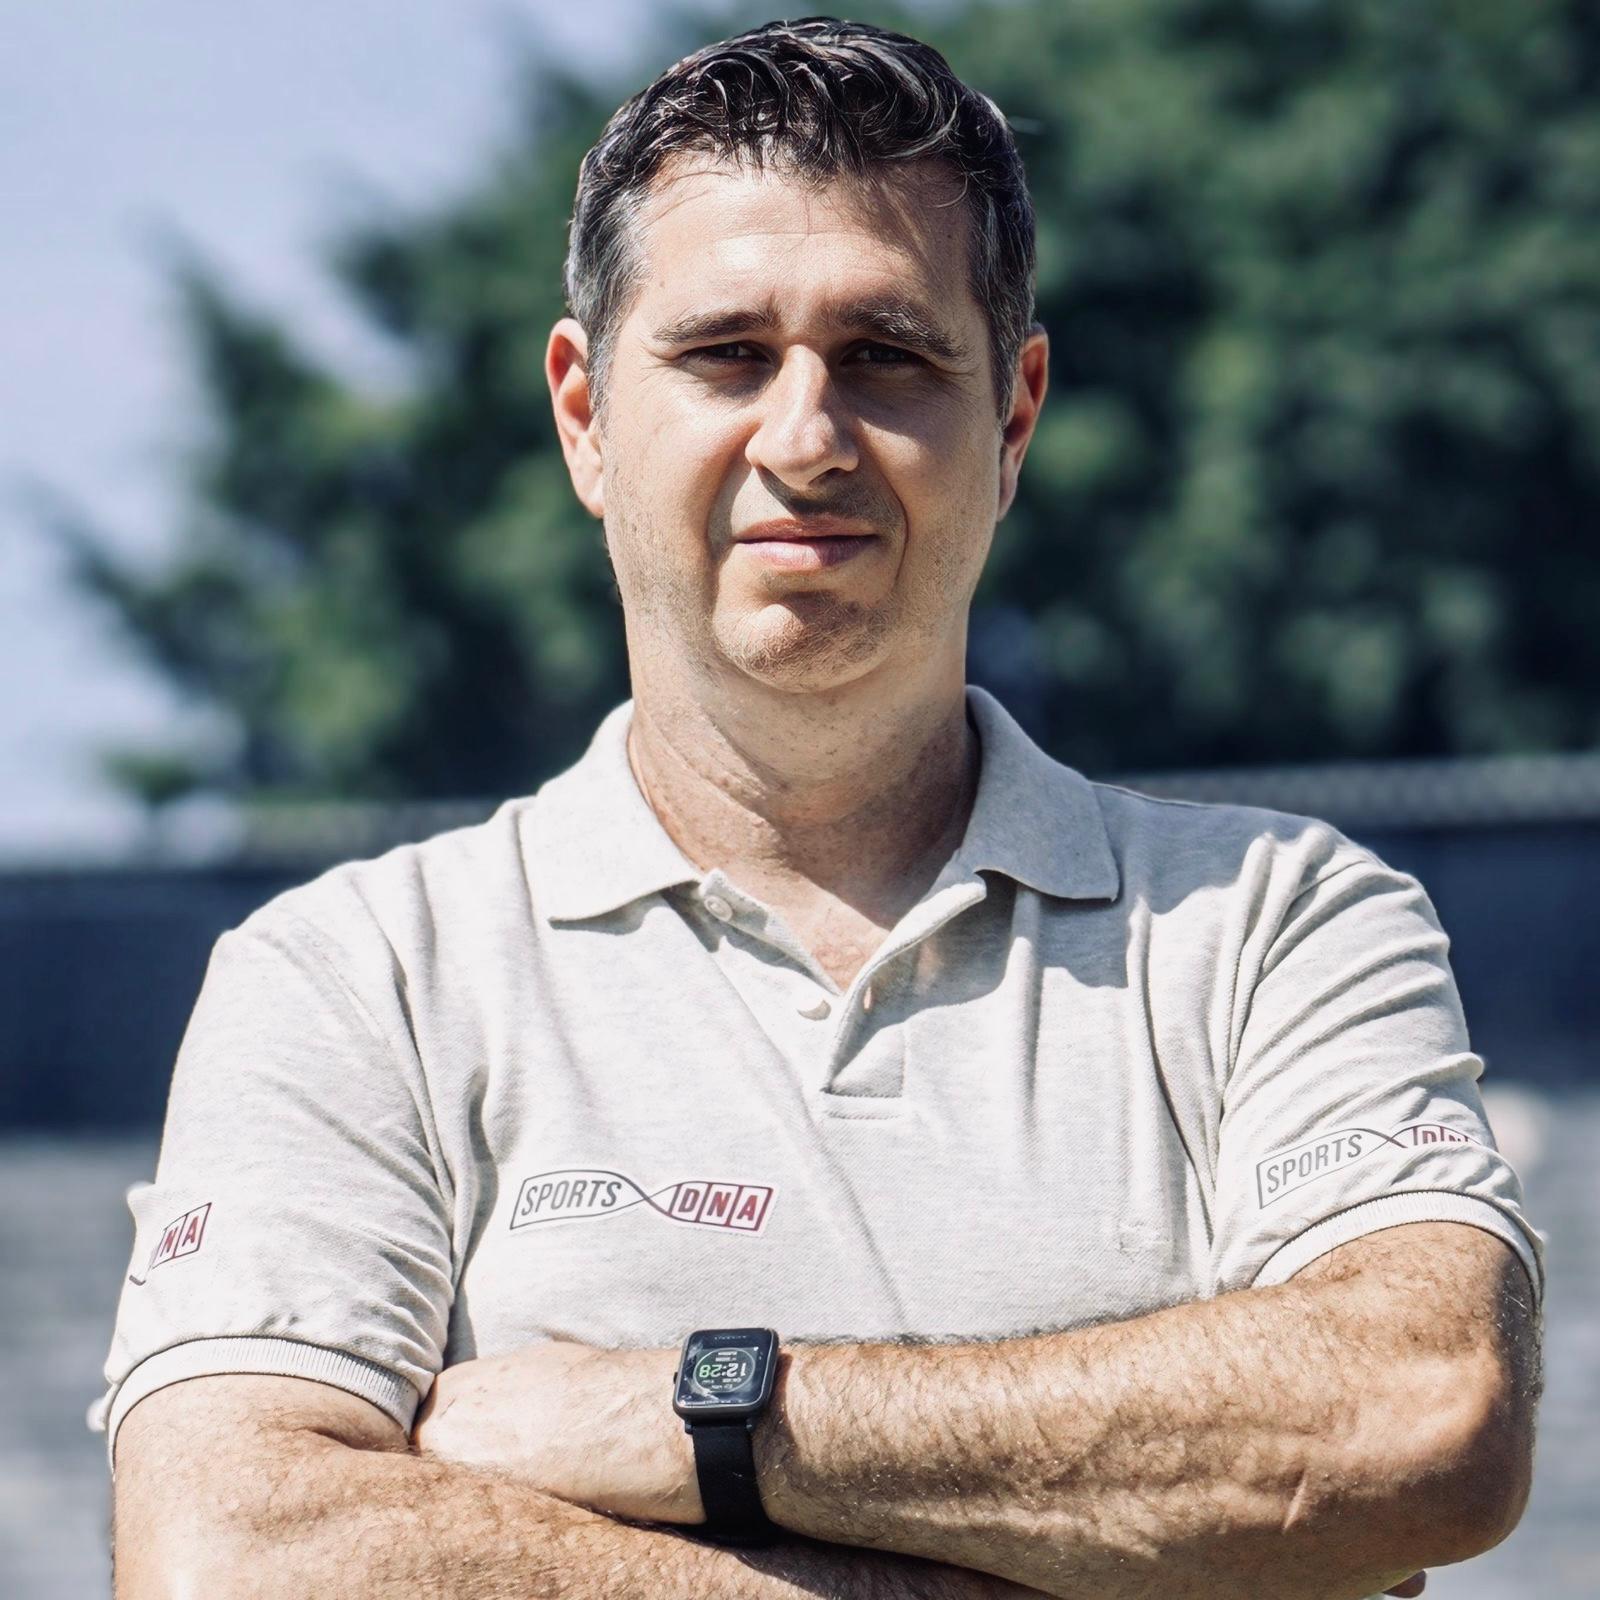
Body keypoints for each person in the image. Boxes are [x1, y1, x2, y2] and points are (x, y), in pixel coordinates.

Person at [98, 17, 1544, 1599]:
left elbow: (1424, 1410)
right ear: (585, 415)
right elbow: (227, 1552)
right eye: (726, 354)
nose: (804, 438)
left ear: (1013, 419)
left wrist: (701, 1420)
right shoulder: (357, 978)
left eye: (888, 356)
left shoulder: (1276, 926)